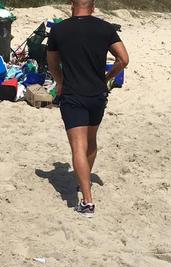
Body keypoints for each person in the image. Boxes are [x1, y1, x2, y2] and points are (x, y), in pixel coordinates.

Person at [47, 0, 129, 216]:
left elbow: (52, 64)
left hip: (73, 94)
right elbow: (123, 59)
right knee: (91, 142)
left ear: (71, 6)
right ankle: (84, 182)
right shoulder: (105, 28)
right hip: (97, 94)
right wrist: (108, 77)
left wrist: (60, 82)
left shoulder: (59, 29)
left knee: (78, 147)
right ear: (92, 7)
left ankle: (87, 201)